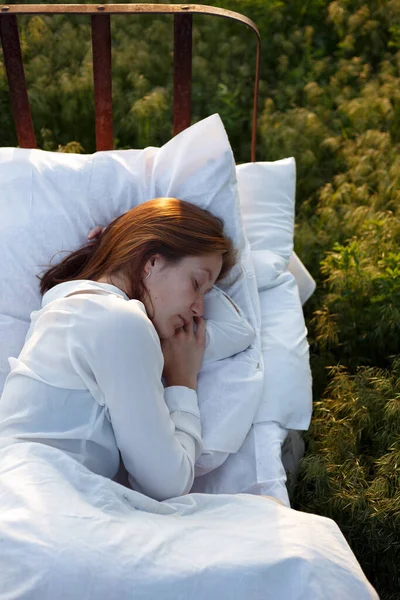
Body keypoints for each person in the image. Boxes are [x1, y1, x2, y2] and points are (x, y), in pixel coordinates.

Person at [0, 197, 236, 501]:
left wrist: (117, 241)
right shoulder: (119, 321)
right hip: (39, 502)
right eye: (196, 283)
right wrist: (182, 381)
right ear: (151, 261)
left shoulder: (68, 306)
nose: (199, 310)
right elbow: (168, 483)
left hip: (27, 494)